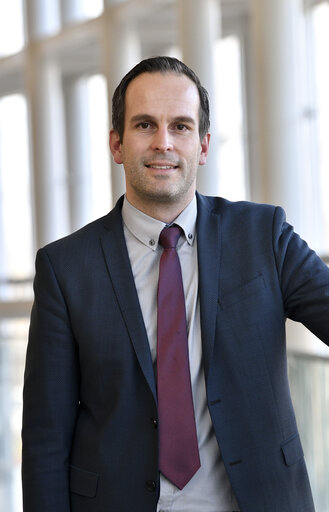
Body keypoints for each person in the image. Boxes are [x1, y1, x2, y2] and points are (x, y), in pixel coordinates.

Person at [21, 56, 329, 512]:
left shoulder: (262, 234)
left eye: (180, 127)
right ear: (117, 143)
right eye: (145, 124)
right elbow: (46, 437)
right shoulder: (66, 268)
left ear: (203, 145)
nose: (163, 142)